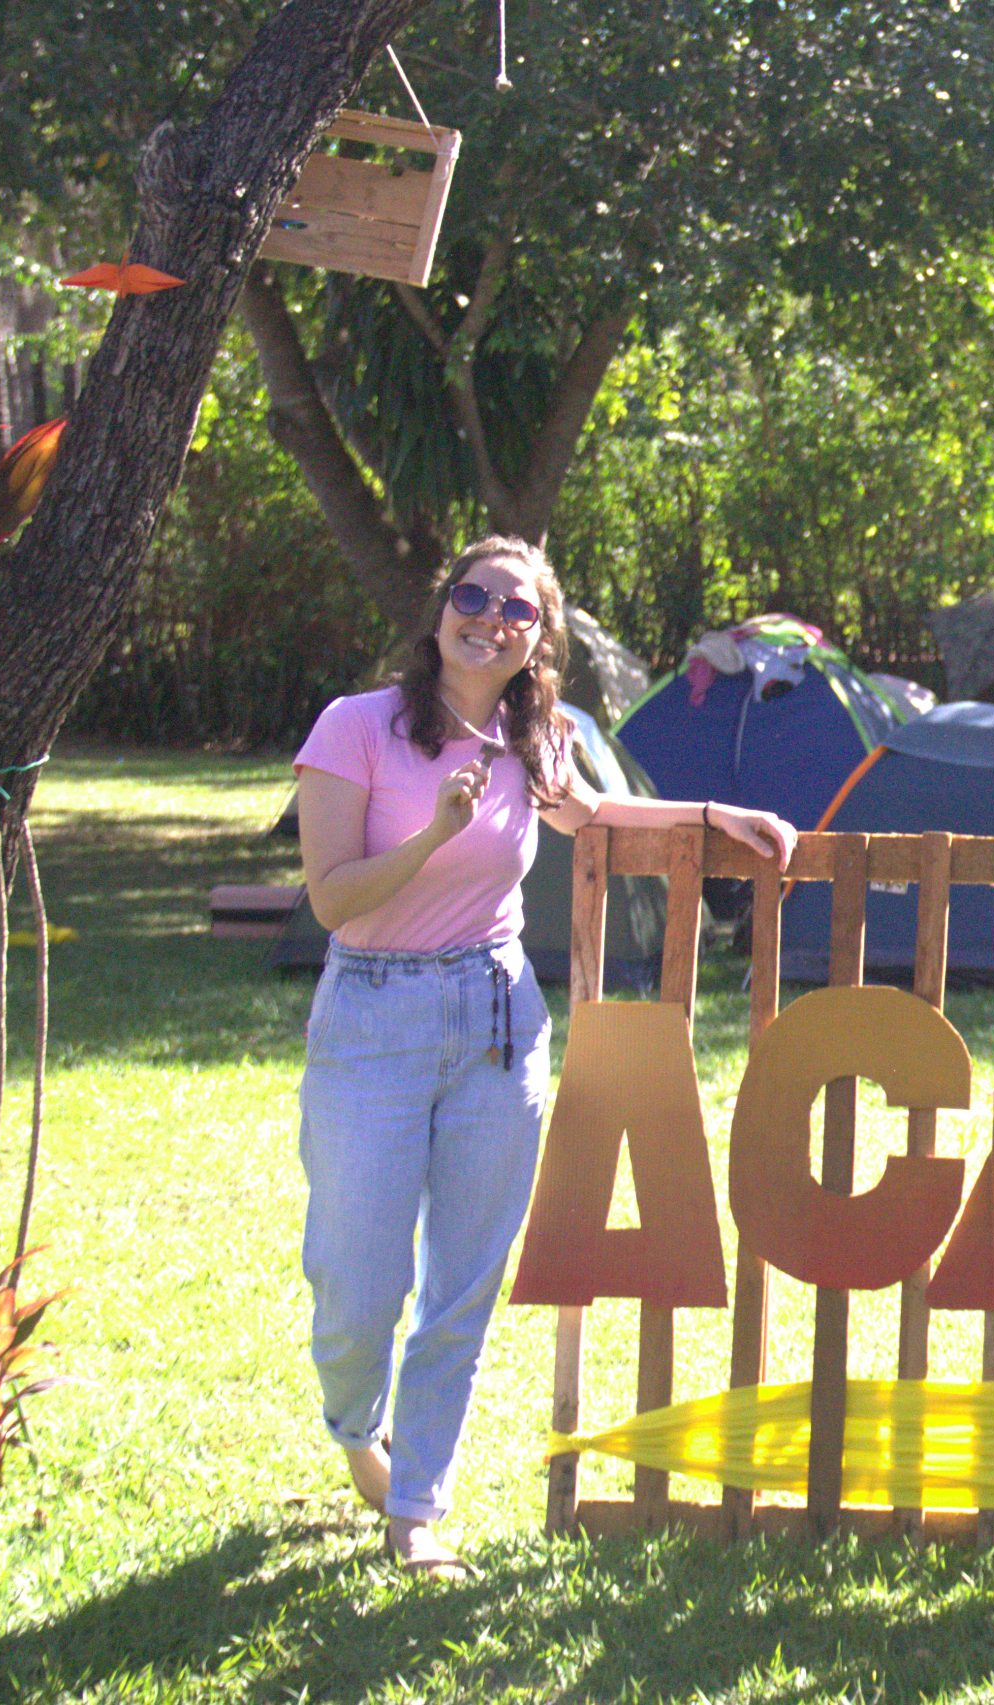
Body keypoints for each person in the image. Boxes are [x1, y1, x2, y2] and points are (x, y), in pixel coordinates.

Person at [293, 537, 797, 1578]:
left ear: (538, 638)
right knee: (356, 1286)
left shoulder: (539, 735)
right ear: (440, 610)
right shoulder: (358, 727)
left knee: (462, 1285)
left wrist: (714, 816)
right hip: (372, 1020)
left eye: (515, 607)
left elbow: (596, 814)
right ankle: (356, 1426)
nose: (489, 615)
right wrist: (434, 834)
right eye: (471, 595)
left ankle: (418, 1506)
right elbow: (334, 899)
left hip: (495, 1018)